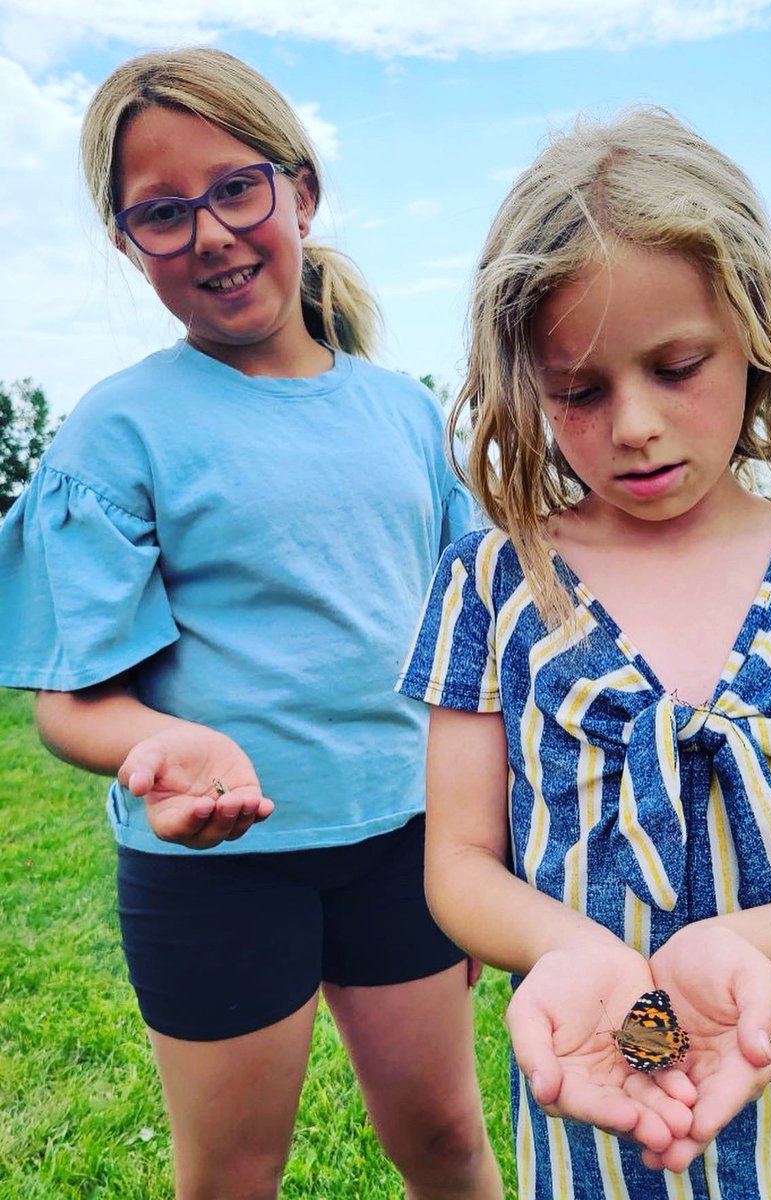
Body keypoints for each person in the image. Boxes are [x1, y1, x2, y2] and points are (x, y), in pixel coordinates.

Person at [396, 106, 771, 1198]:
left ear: (754, 329)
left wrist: (753, 949)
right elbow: (460, 861)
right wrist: (574, 952)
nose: (638, 424)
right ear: (526, 387)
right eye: (580, 390)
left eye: (678, 365)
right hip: (588, 1099)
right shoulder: (488, 581)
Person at [0, 47, 503, 1200]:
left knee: (445, 1143)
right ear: (130, 246)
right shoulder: (115, 434)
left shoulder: (404, 413)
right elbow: (72, 701)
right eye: (162, 215)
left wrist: (485, 851)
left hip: (406, 848)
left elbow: (472, 649)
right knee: (230, 1175)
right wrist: (154, 747)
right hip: (217, 876)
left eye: (237, 189)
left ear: (301, 191)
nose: (211, 236)